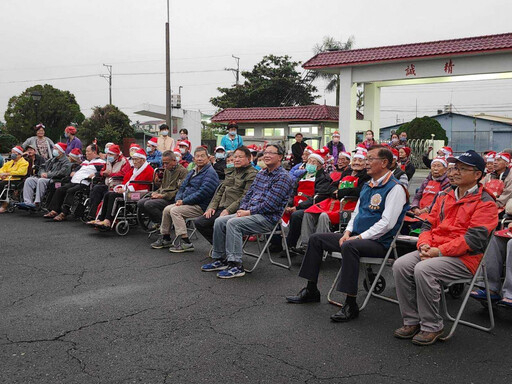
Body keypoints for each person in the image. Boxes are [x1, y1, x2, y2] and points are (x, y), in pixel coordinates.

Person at [286, 145, 408, 324]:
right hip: (356, 237)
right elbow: (357, 214)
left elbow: (387, 223)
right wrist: (348, 232)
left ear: (384, 163)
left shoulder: (395, 188)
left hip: (380, 242)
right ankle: (311, 289)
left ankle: (350, 303)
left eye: (370, 159)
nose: (366, 162)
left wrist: (358, 237)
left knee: (350, 246)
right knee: (316, 239)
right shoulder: (368, 185)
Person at [393, 150, 498, 345]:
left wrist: (438, 252)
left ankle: (433, 326)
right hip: (435, 250)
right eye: (455, 168)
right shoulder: (445, 195)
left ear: (477, 175)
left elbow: (473, 241)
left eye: (462, 169)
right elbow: (428, 224)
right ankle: (412, 321)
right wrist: (424, 244)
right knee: (400, 265)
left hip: (465, 258)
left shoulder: (486, 202)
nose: (455, 172)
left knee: (424, 269)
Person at [200, 143, 294, 278]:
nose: (266, 155)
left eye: (271, 153)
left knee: (233, 223)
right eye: (265, 152)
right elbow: (248, 195)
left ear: (280, 157)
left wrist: (248, 212)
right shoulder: (262, 174)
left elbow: (271, 205)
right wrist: (242, 209)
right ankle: (220, 259)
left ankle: (236, 265)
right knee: (220, 221)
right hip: (251, 213)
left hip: (268, 218)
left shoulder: (284, 177)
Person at [298, 150, 370, 253]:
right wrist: (334, 191)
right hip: (334, 202)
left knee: (323, 215)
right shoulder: (347, 172)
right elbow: (332, 185)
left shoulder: (366, 175)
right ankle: (305, 245)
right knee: (309, 212)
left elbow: (359, 191)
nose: (356, 162)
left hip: (348, 206)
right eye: (355, 160)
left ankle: (318, 248)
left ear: (365, 163)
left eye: (360, 160)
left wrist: (340, 192)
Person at [151, 146, 219, 252]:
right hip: (187, 202)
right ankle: (166, 237)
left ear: (208, 158)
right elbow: (182, 187)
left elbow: (202, 193)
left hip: (201, 205)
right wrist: (178, 199)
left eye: (202, 156)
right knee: (167, 209)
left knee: (175, 211)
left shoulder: (210, 173)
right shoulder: (193, 171)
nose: (199, 158)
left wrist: (184, 201)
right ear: (194, 159)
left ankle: (186, 242)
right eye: (197, 156)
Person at [195, 146, 258, 245]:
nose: (236, 160)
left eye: (240, 157)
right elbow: (220, 191)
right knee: (200, 222)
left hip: (238, 209)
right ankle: (221, 246)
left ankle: (224, 248)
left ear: (249, 158)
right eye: (235, 157)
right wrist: (212, 207)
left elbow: (245, 197)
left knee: (219, 222)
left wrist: (228, 210)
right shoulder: (231, 171)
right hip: (222, 206)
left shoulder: (252, 174)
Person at [88, 149, 154, 229]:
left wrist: (126, 189)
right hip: (129, 190)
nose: (134, 162)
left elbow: (141, 184)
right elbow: (126, 180)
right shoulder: (134, 169)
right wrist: (121, 188)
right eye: (133, 159)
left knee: (113, 196)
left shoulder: (149, 169)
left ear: (143, 160)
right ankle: (100, 218)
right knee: (108, 194)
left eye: (136, 159)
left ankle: (108, 220)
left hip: (138, 193)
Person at [284, 148, 335, 252]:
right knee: (282, 212)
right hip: (295, 204)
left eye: (313, 162)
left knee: (297, 215)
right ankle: (276, 244)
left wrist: (297, 207)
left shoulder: (323, 178)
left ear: (320, 165)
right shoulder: (302, 176)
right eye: (309, 161)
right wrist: (288, 205)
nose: (310, 163)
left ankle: (290, 246)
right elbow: (293, 192)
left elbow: (318, 197)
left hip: (312, 207)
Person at [44, 144, 105, 221]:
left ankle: (64, 213)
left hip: (84, 183)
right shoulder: (85, 162)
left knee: (71, 191)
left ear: (94, 152)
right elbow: (77, 168)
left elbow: (103, 171)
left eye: (87, 151)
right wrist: (74, 171)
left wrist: (96, 174)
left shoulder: (100, 162)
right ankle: (54, 210)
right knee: (60, 189)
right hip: (74, 181)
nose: (85, 153)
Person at [137, 151, 188, 228]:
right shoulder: (167, 170)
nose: (164, 165)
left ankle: (165, 224)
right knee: (140, 203)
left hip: (173, 198)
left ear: (174, 161)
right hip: (164, 196)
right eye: (163, 163)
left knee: (149, 204)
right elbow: (163, 187)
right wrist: (155, 193)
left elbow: (180, 191)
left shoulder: (183, 171)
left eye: (167, 163)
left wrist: (162, 195)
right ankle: (157, 221)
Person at [20, 142, 71, 209]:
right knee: (29, 180)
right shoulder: (52, 160)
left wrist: (48, 175)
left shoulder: (66, 161)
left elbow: (62, 173)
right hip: (46, 177)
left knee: (41, 180)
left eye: (56, 149)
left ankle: (37, 202)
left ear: (61, 151)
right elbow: (42, 167)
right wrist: (42, 173)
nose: (54, 150)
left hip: (56, 179)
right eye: (54, 149)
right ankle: (27, 202)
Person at [88, 144, 131, 219]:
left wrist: (111, 174)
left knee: (107, 194)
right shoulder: (108, 160)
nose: (108, 156)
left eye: (111, 154)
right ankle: (93, 214)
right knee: (96, 189)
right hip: (107, 183)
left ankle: (104, 217)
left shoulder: (124, 161)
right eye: (108, 154)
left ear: (117, 155)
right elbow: (102, 170)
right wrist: (103, 173)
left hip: (117, 184)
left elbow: (124, 174)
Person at [0, 146, 30, 213]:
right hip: (6, 178)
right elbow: (1, 170)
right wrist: (2, 175)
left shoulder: (24, 163)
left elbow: (21, 172)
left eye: (14, 153)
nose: (12, 154)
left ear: (19, 154)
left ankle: (4, 206)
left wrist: (7, 174)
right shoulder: (10, 162)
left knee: (1, 185)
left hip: (16, 179)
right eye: (12, 152)